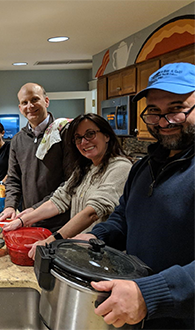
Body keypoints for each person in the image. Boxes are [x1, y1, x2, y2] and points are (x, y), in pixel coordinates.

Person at [75, 62, 195, 329]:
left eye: (176, 109)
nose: (164, 121)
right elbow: (124, 219)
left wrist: (150, 294)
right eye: (154, 111)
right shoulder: (143, 167)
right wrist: (97, 237)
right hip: (140, 316)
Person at [2, 113, 132, 258]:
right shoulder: (85, 168)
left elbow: (92, 212)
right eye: (78, 138)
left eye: (90, 134)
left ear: (107, 136)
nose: (84, 142)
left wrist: (53, 240)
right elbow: (58, 200)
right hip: (80, 253)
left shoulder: (120, 167)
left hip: (103, 257)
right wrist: (22, 220)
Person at [0, 83, 73, 232]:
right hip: (29, 222)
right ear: (20, 108)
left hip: (61, 222)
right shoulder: (17, 140)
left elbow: (70, 181)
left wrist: (36, 209)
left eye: (34, 100)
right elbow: (13, 179)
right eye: (24, 102)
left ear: (46, 101)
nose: (30, 106)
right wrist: (10, 206)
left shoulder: (64, 133)